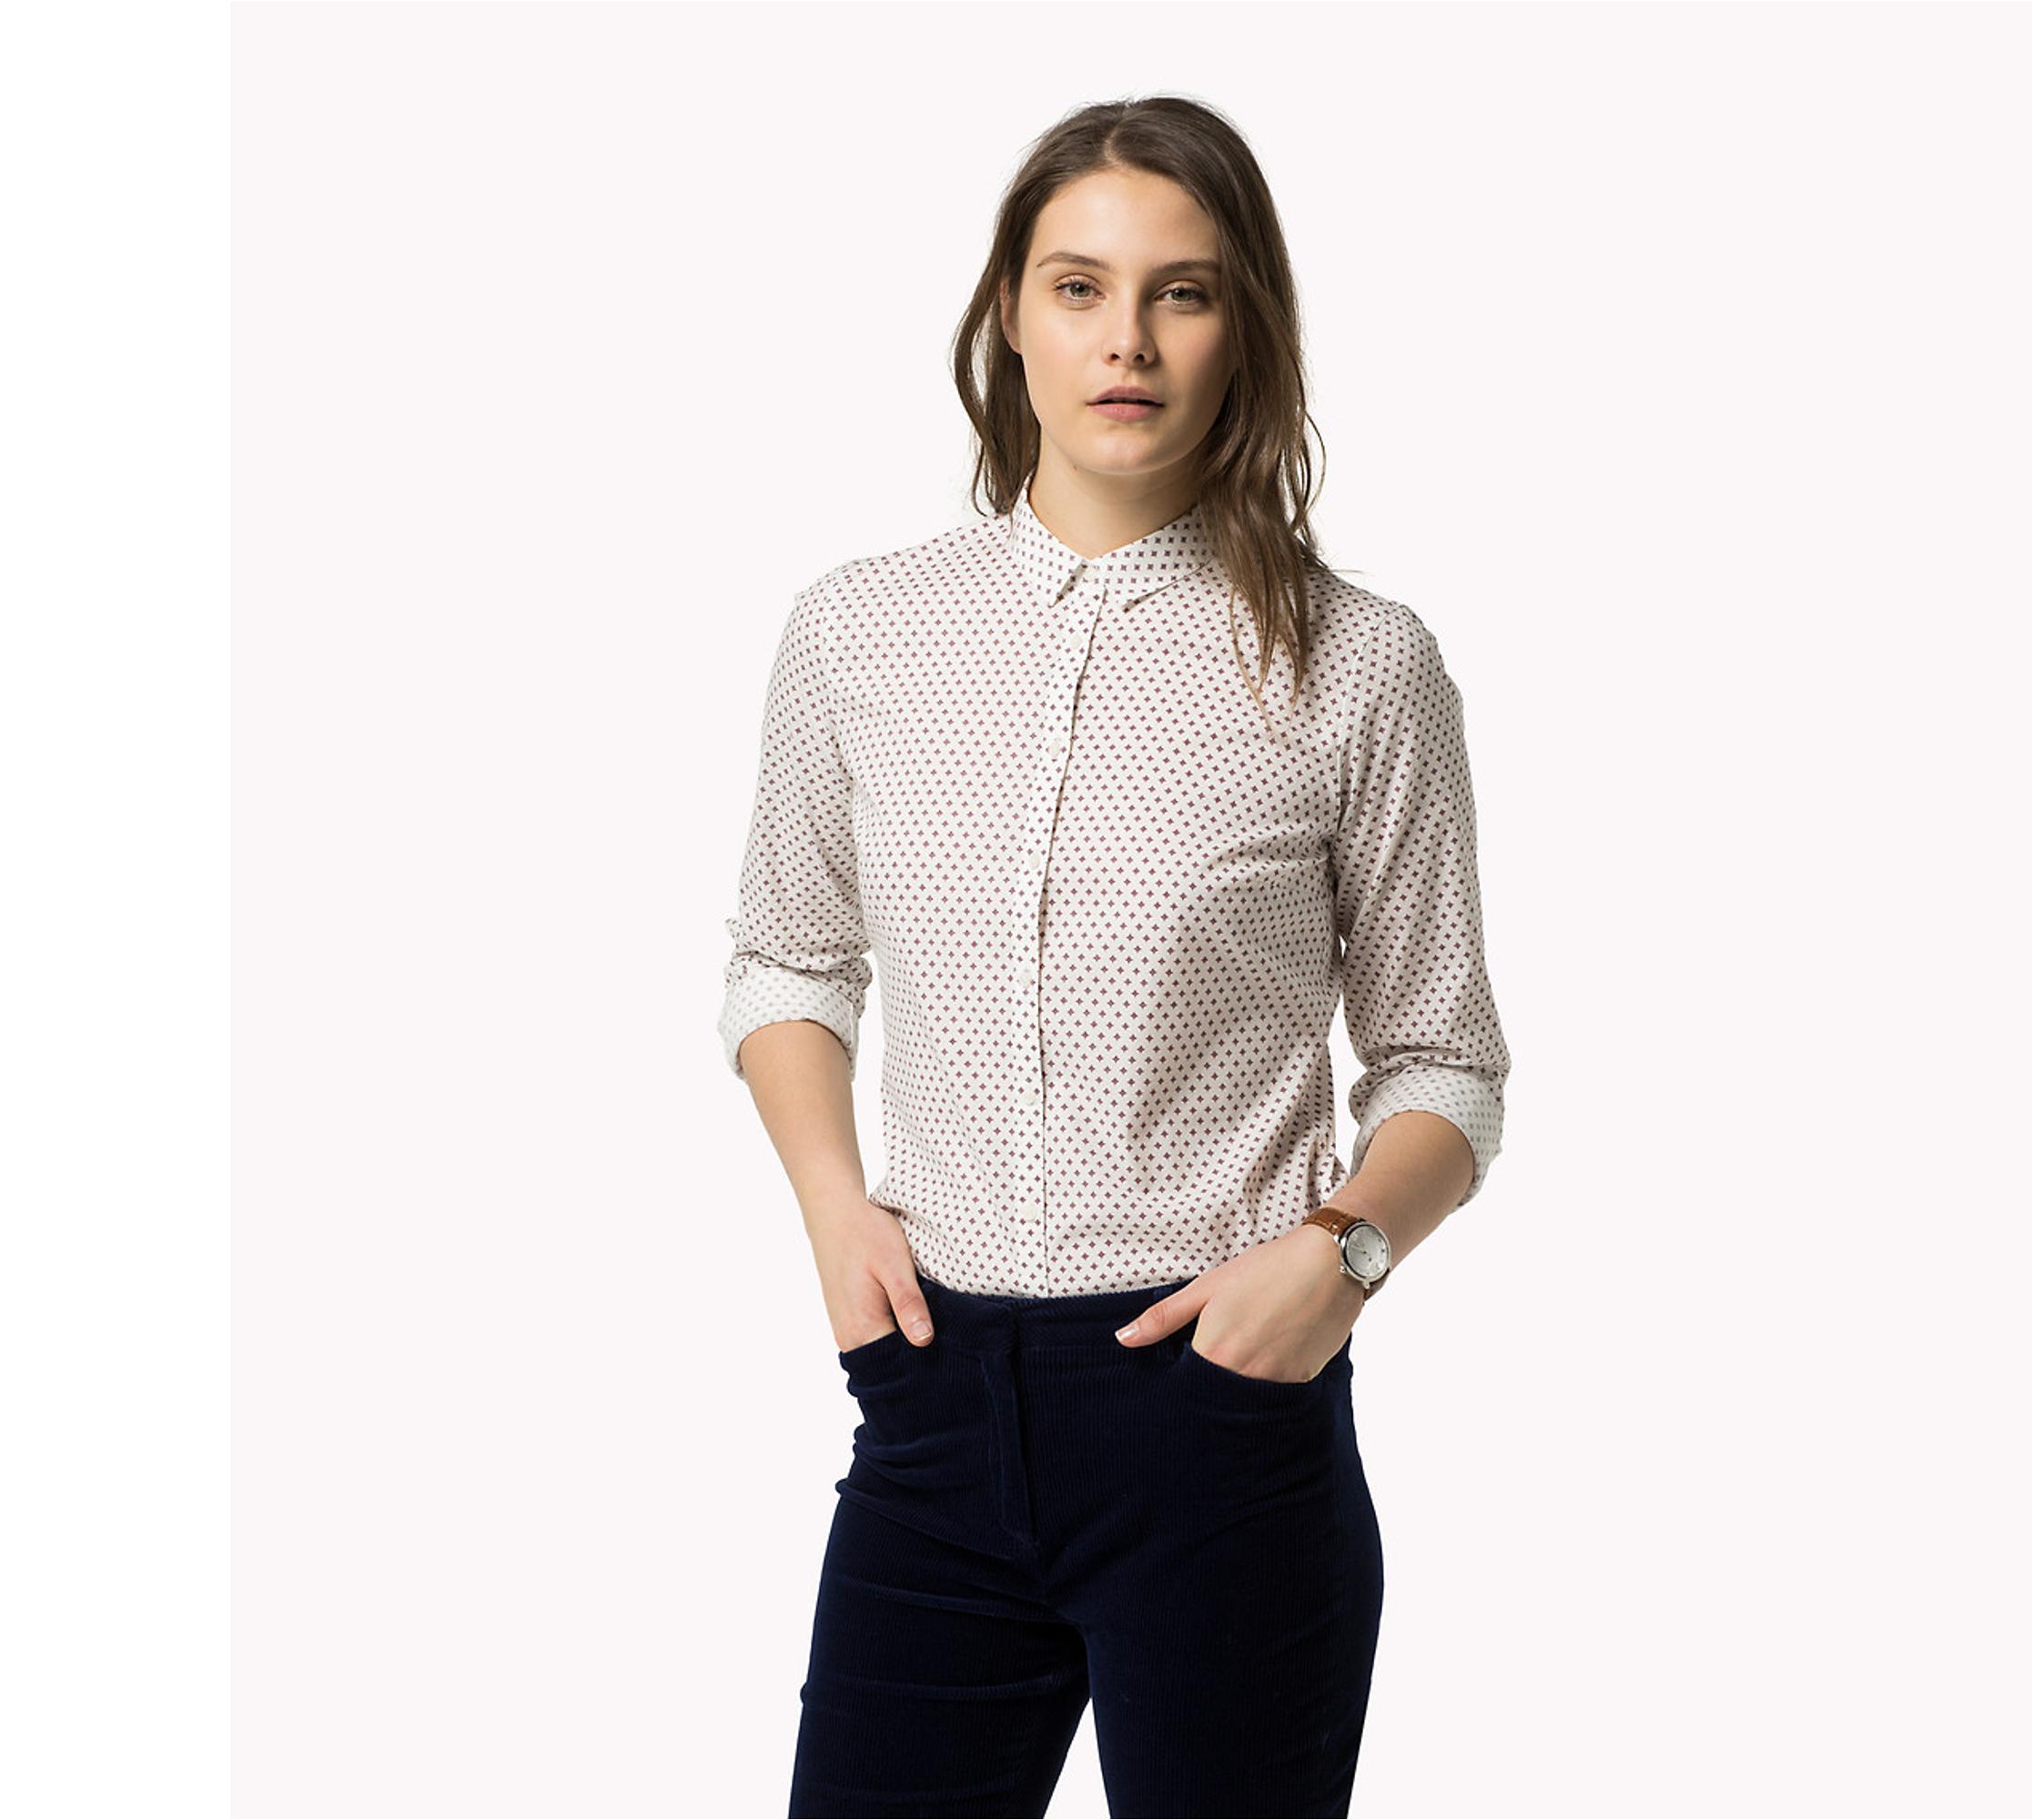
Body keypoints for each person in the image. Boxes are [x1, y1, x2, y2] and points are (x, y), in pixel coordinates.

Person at [719, 95, 1512, 1819]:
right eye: (1079, 287)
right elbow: (787, 960)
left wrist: (1342, 1259)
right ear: (1009, 314)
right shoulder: (860, 632)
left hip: (1221, 1414)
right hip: (928, 1408)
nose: (1127, 341)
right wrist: (834, 1211)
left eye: (1183, 292)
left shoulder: (1361, 666)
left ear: (1246, 329)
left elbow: (1446, 1066)